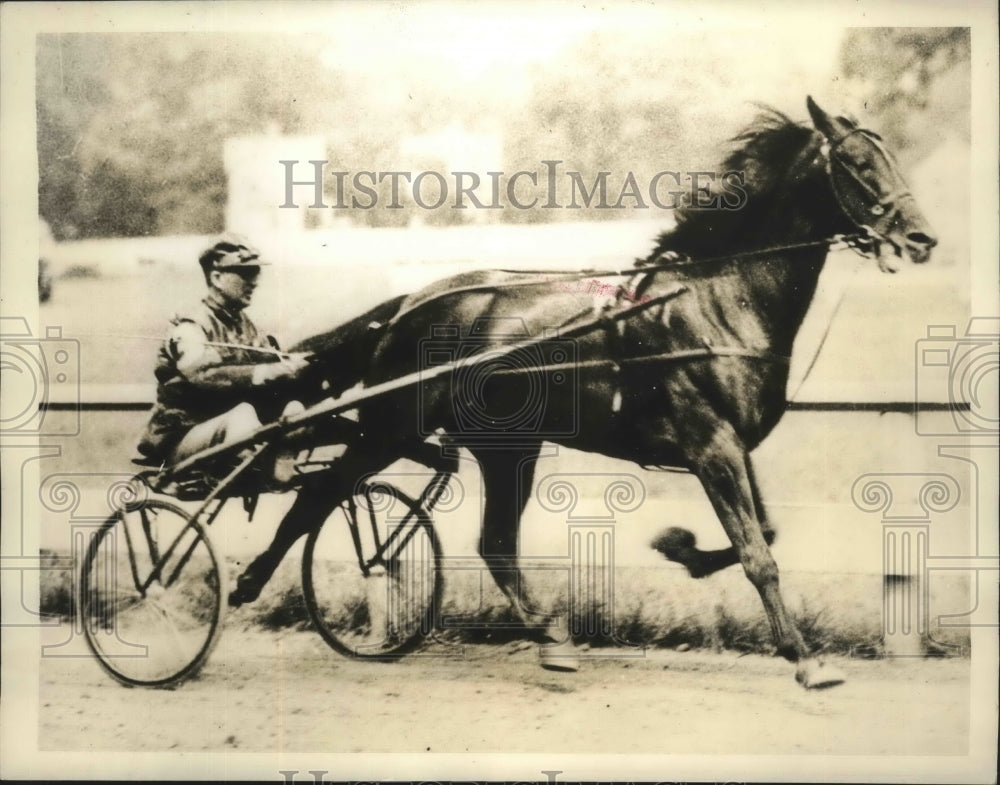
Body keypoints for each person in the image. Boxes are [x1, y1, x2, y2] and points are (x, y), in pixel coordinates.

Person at [137, 233, 310, 471]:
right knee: (244, 414)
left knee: (295, 410)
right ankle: (268, 468)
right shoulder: (191, 327)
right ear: (216, 277)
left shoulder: (244, 324)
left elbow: (270, 359)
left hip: (223, 431)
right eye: (246, 274)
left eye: (256, 273)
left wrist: (293, 363)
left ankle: (280, 467)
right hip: (180, 438)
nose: (254, 282)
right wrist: (267, 371)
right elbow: (203, 374)